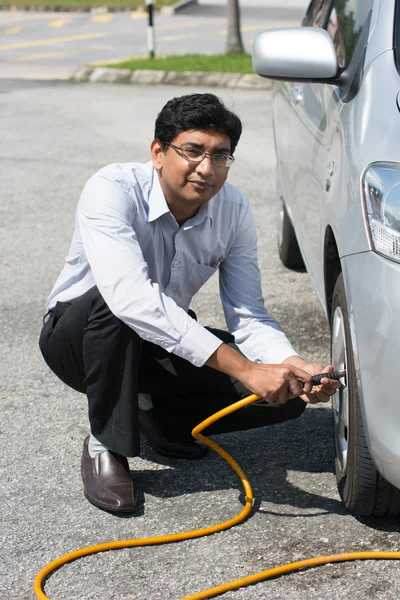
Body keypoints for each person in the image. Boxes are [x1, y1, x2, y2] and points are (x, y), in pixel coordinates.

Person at [39, 93, 339, 514]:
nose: (206, 167)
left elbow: (248, 310)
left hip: (158, 339)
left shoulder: (233, 209)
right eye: (193, 151)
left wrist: (291, 365)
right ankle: (105, 443)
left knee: (285, 398)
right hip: (78, 339)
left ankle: (154, 413)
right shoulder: (112, 189)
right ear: (158, 152)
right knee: (118, 304)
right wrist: (247, 369)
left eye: (220, 156)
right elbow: (131, 299)